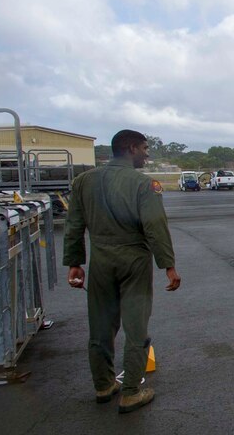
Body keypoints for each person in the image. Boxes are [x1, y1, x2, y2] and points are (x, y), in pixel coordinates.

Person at [64, 129, 181, 414]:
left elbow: (74, 226)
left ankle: (103, 386)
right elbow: (155, 226)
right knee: (135, 326)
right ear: (130, 149)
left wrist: (75, 263)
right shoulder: (144, 185)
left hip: (100, 260)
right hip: (134, 260)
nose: (147, 154)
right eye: (144, 148)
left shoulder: (83, 182)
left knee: (101, 326)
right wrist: (168, 265)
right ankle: (131, 391)